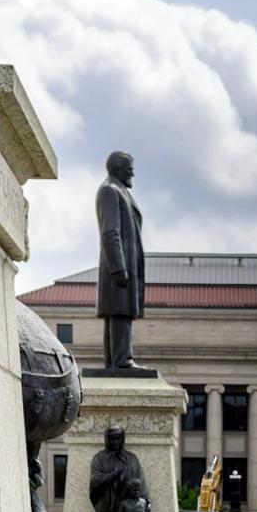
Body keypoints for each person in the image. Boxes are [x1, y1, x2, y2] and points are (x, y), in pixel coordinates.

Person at [93, 151, 149, 374]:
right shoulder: (109, 190)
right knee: (119, 312)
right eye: (129, 168)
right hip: (118, 266)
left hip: (125, 264)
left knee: (119, 313)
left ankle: (115, 361)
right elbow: (109, 232)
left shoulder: (120, 191)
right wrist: (118, 267)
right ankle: (121, 360)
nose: (133, 172)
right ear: (118, 169)